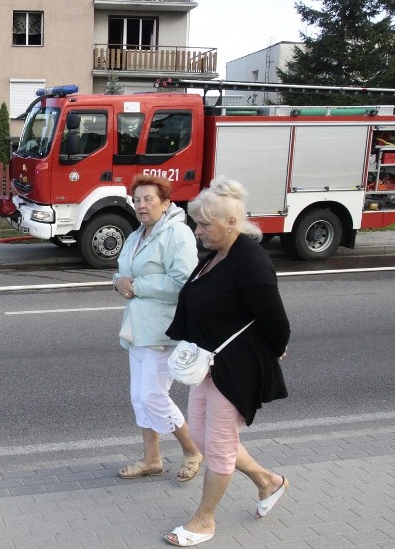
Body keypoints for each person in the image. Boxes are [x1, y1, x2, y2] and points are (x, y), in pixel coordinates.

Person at [163, 176, 290, 547]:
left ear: (231, 223)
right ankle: (268, 481)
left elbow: (276, 320)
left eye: (204, 224)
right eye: (197, 222)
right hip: (208, 363)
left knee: (217, 445)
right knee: (203, 437)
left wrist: (275, 347)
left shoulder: (250, 260)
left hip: (235, 368)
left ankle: (204, 520)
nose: (197, 230)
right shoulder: (217, 255)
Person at [112, 175, 203, 484]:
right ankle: (152, 459)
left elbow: (183, 282)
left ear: (166, 203)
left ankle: (193, 451)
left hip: (164, 330)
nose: (141, 205)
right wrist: (119, 282)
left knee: (153, 395)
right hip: (138, 329)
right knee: (139, 395)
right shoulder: (138, 234)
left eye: (148, 199)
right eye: (136, 199)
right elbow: (123, 273)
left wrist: (136, 286)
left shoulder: (177, 233)